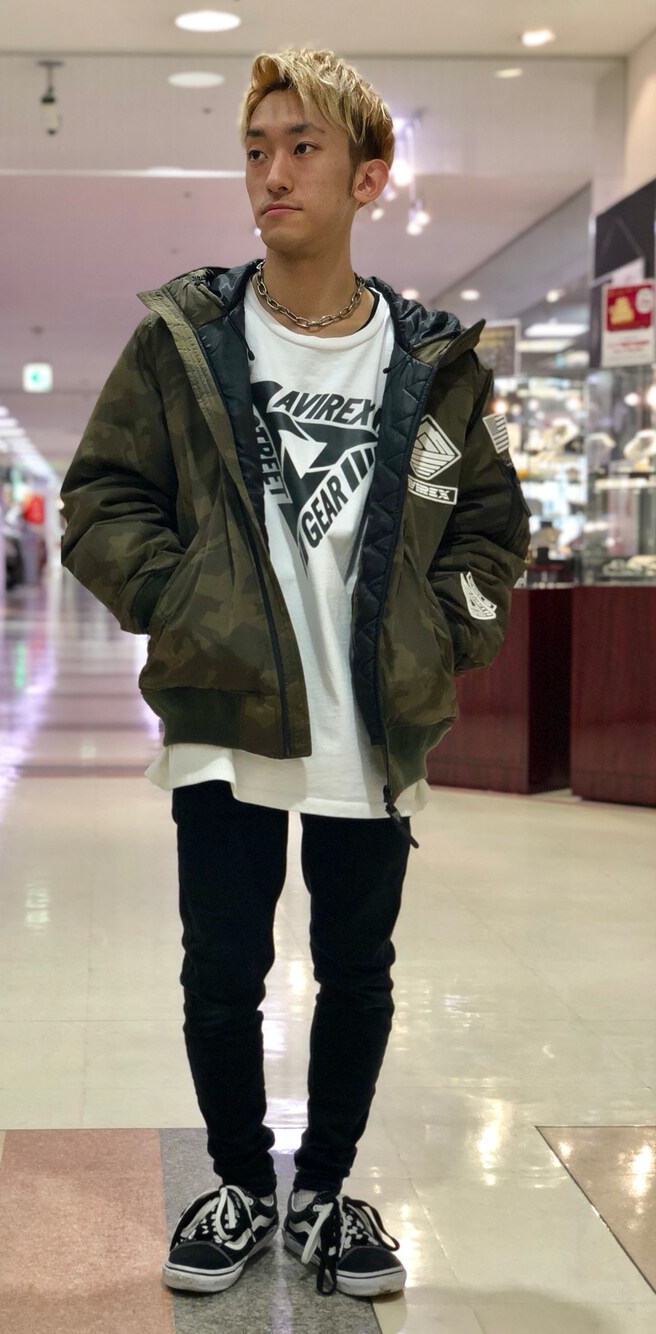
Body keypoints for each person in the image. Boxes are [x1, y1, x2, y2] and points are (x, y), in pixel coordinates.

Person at [60, 48, 530, 1302]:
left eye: (303, 147)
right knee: (222, 969)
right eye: (256, 147)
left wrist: (444, 633)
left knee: (357, 969)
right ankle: (235, 1180)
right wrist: (182, 604)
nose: (271, 172)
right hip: (226, 714)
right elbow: (102, 496)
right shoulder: (186, 341)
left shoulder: (429, 362)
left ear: (368, 177)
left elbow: (489, 527)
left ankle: (323, 1188)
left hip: (369, 725)